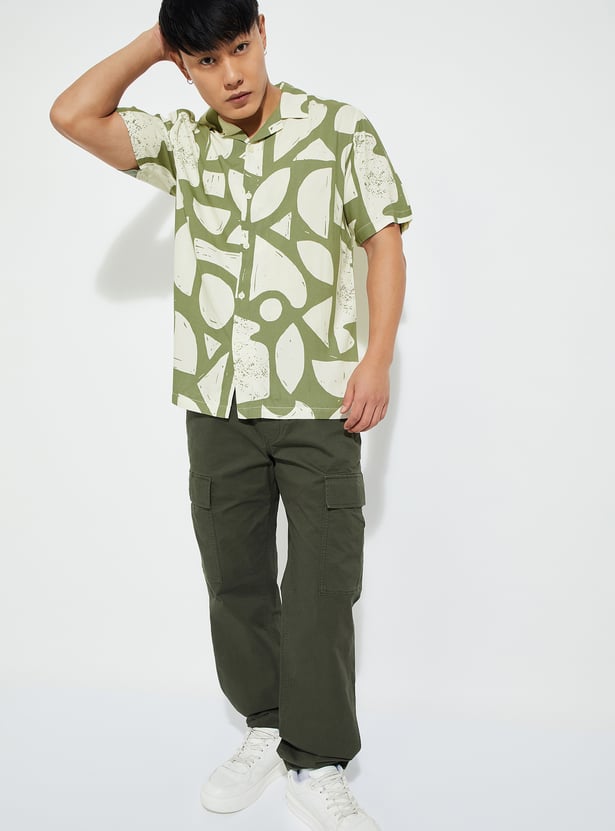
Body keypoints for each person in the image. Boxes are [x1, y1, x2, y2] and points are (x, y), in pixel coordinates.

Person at [50, 1, 412, 828]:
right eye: (206, 61)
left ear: (262, 30)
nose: (231, 74)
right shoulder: (184, 144)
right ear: (184, 67)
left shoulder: (337, 129)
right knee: (235, 576)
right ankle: (267, 724)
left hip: (319, 398)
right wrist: (160, 41)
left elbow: (384, 240)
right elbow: (72, 115)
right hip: (217, 400)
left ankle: (317, 758)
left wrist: (376, 357)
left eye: (239, 47)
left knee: (322, 581)